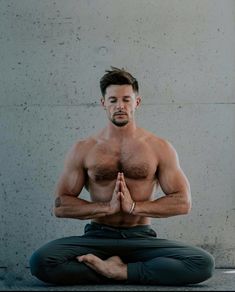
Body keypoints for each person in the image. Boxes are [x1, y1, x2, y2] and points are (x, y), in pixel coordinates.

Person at [30, 67, 215, 286]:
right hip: (97, 238)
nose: (120, 106)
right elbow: (61, 205)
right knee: (41, 261)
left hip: (141, 238)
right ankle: (129, 271)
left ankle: (118, 271)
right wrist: (105, 208)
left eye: (126, 99)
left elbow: (183, 202)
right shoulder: (84, 148)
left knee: (202, 263)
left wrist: (134, 207)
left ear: (137, 102)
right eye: (113, 100)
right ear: (103, 103)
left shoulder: (159, 147)